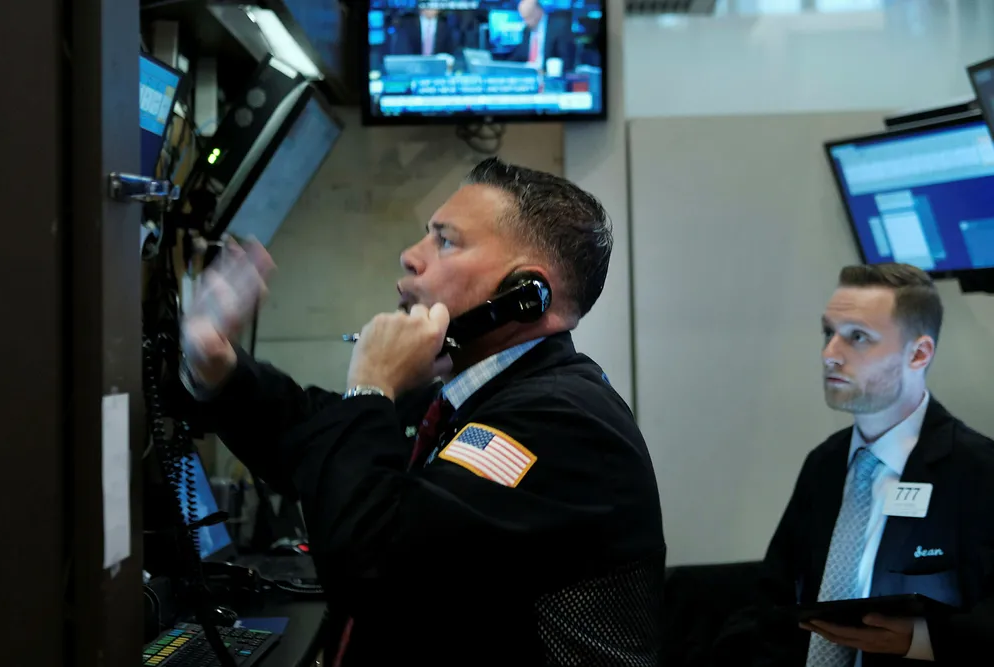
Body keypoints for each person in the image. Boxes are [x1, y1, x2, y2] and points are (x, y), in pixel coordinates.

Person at [176, 157, 666, 665]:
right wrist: (218, 365)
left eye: (445, 241)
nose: (410, 256)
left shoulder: (560, 424)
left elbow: (372, 574)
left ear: (526, 294)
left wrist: (372, 384)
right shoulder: (472, 395)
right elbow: (321, 438)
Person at [714, 263, 994, 667]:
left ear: (918, 354)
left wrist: (923, 639)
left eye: (857, 337)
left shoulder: (978, 471)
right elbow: (771, 604)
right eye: (828, 333)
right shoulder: (825, 463)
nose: (830, 355)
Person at [505, 0, 574, 72]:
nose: (526, 22)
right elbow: (519, 55)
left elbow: (566, 60)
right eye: (523, 18)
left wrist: (545, 71)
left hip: (547, 74)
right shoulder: (526, 30)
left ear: (539, 11)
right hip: (527, 73)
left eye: (528, 17)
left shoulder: (559, 28)